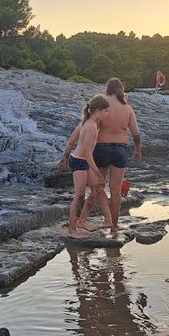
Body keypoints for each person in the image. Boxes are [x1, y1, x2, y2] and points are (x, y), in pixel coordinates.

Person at [59, 78, 142, 231]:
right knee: (116, 190)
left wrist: (66, 153)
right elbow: (136, 133)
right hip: (121, 149)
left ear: (107, 89)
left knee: (97, 187)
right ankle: (114, 225)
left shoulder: (103, 105)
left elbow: (81, 128)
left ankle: (83, 219)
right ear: (121, 90)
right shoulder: (128, 109)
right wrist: (138, 149)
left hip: (101, 149)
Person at [66, 94, 114, 239]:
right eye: (106, 111)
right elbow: (87, 152)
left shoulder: (90, 122)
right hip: (79, 162)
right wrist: (98, 173)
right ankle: (72, 230)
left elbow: (74, 139)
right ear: (97, 111)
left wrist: (64, 156)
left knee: (97, 189)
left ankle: (82, 221)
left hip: (84, 161)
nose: (108, 114)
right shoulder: (91, 126)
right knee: (79, 196)